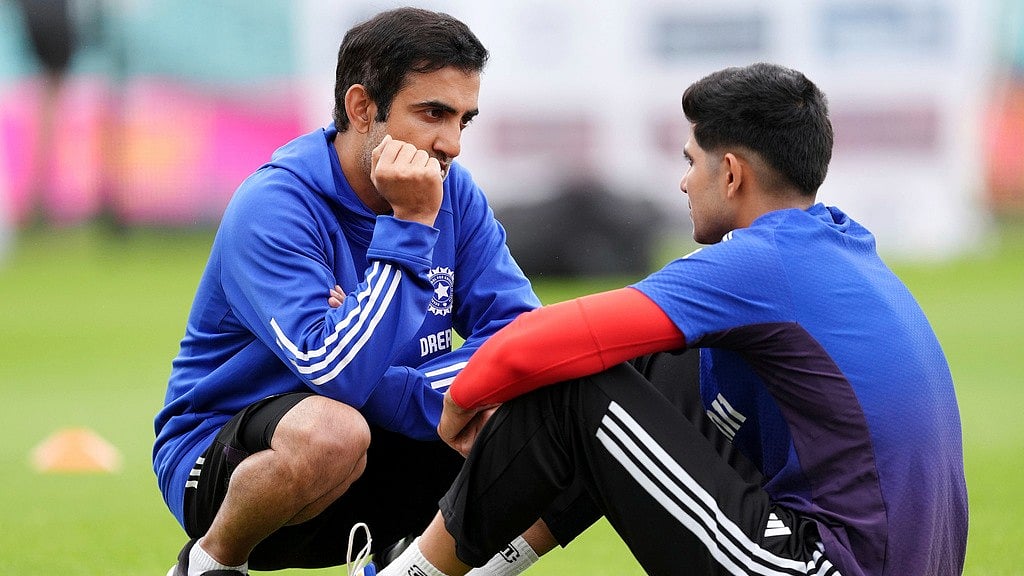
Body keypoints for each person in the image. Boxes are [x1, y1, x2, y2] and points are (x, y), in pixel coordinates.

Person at [363, 63, 969, 576]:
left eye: (690, 161)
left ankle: (409, 571)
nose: (682, 182)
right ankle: (454, 565)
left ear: (730, 174)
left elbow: (546, 343)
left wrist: (461, 397)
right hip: (863, 554)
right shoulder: (839, 243)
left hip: (823, 564)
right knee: (652, 362)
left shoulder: (760, 263)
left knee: (581, 384)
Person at [153, 8, 560, 576]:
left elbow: (523, 339)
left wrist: (394, 377)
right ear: (362, 107)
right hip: (232, 460)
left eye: (463, 120)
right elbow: (337, 373)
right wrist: (412, 225)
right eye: (433, 114)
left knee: (565, 417)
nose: (452, 145)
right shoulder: (275, 206)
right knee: (332, 432)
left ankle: (412, 569)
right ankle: (211, 565)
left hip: (392, 439)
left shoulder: (456, 195)